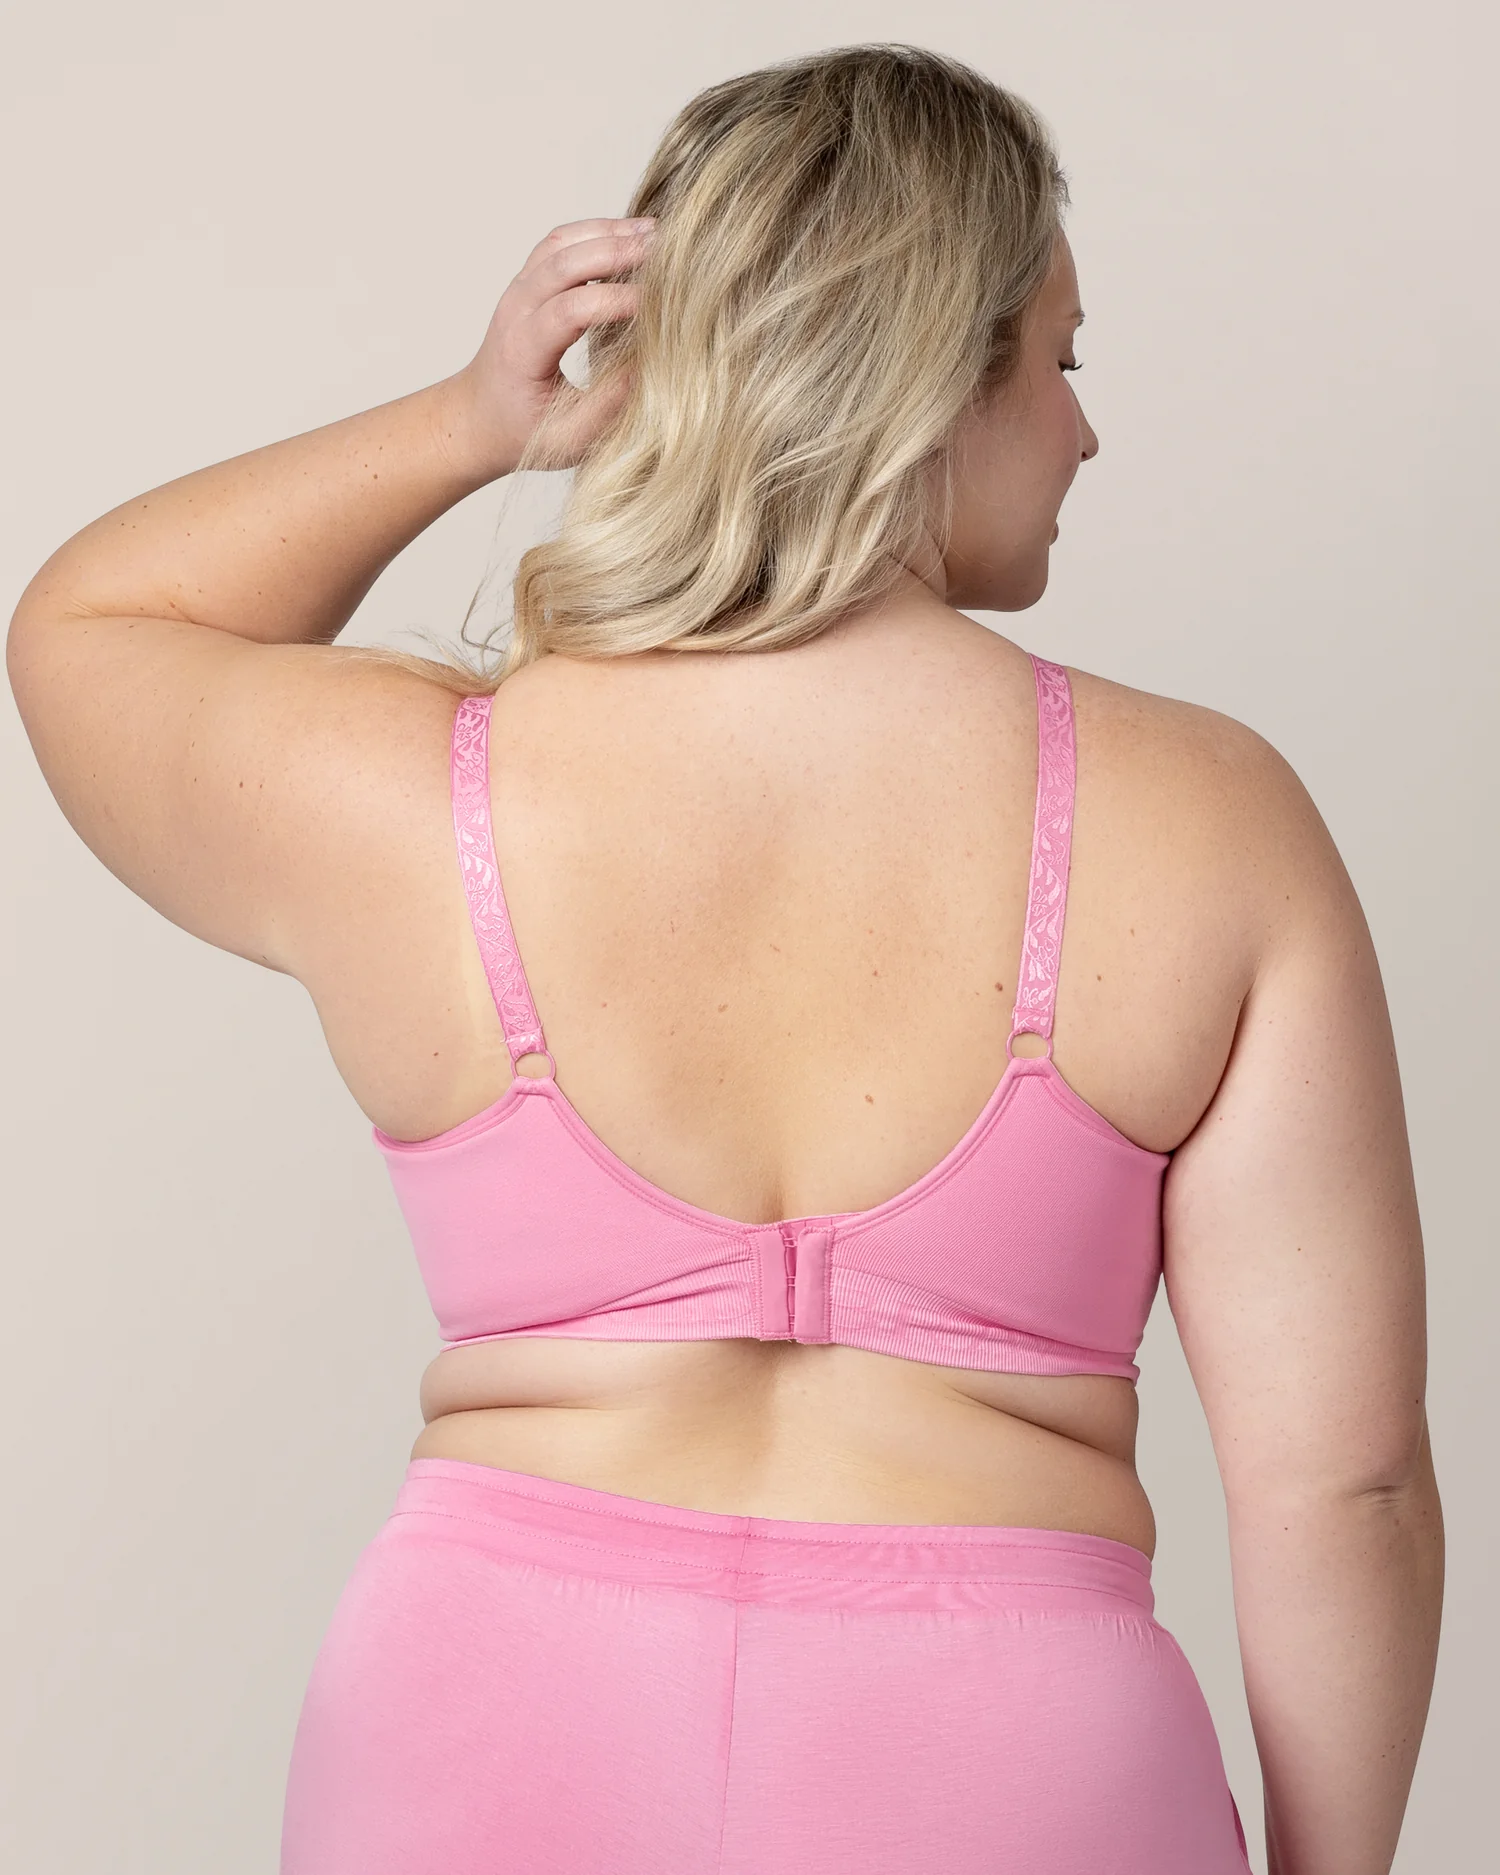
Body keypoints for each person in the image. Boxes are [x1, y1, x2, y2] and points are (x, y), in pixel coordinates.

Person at [6, 41, 1441, 1875]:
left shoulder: (430, 797)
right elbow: (1347, 1484)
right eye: (1062, 360)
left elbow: (92, 624)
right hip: (1013, 1757)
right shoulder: (1213, 820)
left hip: (485, 1722)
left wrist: (470, 422)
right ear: (940, 367)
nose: (1084, 432)